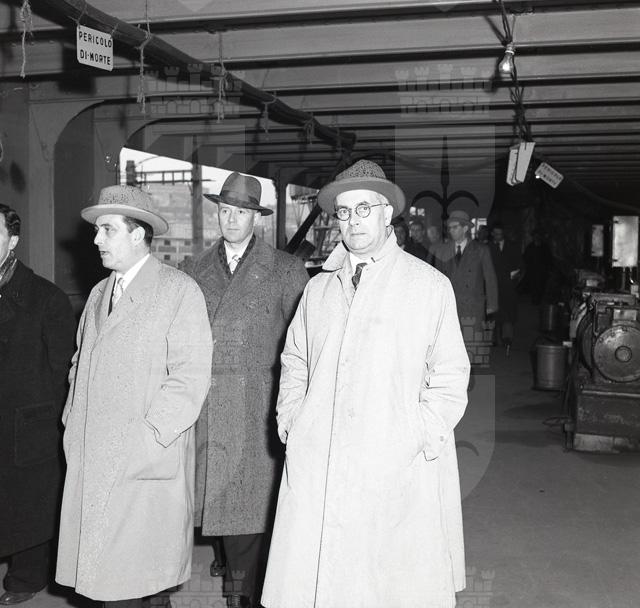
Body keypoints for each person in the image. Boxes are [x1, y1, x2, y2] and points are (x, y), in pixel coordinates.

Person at [261, 159, 470, 608]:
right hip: (320, 458)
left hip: (395, 463)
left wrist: (415, 434)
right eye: (344, 211)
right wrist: (292, 421)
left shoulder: (428, 286)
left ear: (386, 212)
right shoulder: (318, 290)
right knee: (320, 579)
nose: (353, 221)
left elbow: (451, 376)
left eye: (363, 209)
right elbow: (294, 360)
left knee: (388, 583)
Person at [55, 185, 213, 607]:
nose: (96, 239)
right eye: (97, 230)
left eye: (107, 229)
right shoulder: (98, 294)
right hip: (93, 453)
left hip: (144, 456)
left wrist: (149, 437)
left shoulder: (178, 290)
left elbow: (190, 377)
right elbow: (79, 361)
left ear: (138, 233)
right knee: (111, 575)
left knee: (137, 576)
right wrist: (73, 419)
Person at [181, 172, 308, 608]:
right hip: (208, 407)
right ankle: (236, 579)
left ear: (257, 217)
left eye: (241, 211)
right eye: (224, 210)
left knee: (247, 514)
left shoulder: (286, 270)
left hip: (257, 408)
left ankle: (244, 596)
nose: (231, 219)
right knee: (217, 506)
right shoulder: (194, 269)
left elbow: (303, 344)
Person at [0, 205, 76, 606]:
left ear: (13, 241)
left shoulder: (46, 298)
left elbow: (65, 370)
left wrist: (56, 427)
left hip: (28, 423)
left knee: (29, 506)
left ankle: (25, 579)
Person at [438, 210, 498, 335]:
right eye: (449, 228)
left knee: (472, 341)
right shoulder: (443, 250)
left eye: (455, 227)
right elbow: (439, 279)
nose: (451, 231)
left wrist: (491, 305)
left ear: (465, 228)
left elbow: (490, 278)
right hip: (451, 307)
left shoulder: (481, 250)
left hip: (473, 306)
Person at [489, 223, 522, 351]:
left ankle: (507, 339)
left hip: (508, 286)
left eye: (500, 234)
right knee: (493, 314)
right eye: (496, 234)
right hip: (493, 286)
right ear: (492, 234)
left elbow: (520, 265)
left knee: (508, 313)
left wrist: (515, 277)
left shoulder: (512, 247)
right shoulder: (488, 248)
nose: (498, 236)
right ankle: (493, 339)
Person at [522, 228, 553, 304]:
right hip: (533, 271)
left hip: (542, 272)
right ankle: (535, 300)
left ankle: (539, 300)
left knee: (541, 286)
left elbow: (549, 258)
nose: (536, 237)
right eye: (535, 236)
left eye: (538, 236)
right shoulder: (530, 247)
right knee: (534, 286)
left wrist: (548, 269)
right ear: (533, 237)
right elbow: (525, 258)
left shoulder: (545, 247)